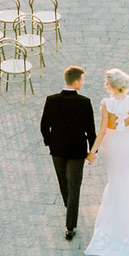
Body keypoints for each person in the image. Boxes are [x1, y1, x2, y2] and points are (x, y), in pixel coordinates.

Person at [84, 68, 129, 256]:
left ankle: (115, 218)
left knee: (114, 179)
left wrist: (92, 152)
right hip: (126, 145)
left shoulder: (106, 104)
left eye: (106, 82)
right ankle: (127, 217)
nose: (105, 84)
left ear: (113, 85)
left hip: (111, 146)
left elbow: (102, 130)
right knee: (126, 181)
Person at [40, 65, 96, 241]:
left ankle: (69, 213)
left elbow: (44, 126)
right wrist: (92, 151)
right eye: (83, 80)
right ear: (77, 81)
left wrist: (50, 142)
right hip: (76, 152)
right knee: (73, 186)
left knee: (63, 182)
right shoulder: (84, 102)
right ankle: (70, 223)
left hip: (57, 150)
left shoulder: (52, 100)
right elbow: (90, 130)